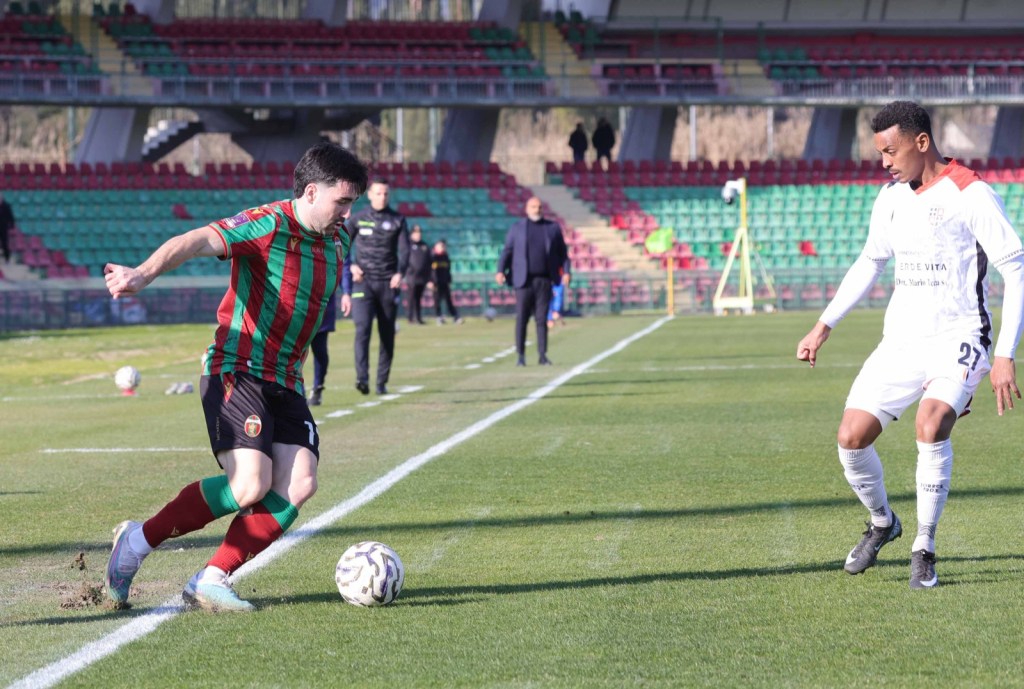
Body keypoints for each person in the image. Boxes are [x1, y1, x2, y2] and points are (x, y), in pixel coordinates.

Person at [102, 142, 368, 612]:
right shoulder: (268, 223)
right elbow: (198, 239)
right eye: (342, 201)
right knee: (249, 484)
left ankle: (210, 579)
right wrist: (142, 274)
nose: (347, 213)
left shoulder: (338, 239)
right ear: (311, 192)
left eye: (352, 203)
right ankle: (137, 542)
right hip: (237, 367)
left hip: (286, 379)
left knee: (299, 483)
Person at [796, 100, 1024, 590]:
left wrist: (1005, 353)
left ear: (922, 142)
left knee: (931, 422)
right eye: (880, 152)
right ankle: (883, 523)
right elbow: (870, 261)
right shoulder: (891, 198)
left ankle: (924, 546)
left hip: (960, 334)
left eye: (891, 151)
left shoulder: (971, 193)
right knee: (851, 438)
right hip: (901, 340)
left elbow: (1015, 268)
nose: (885, 162)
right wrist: (824, 325)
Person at [346, 178, 410, 395]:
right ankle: (362, 378)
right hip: (363, 283)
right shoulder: (358, 218)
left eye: (386, 193)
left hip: (388, 284)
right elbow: (341, 244)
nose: (382, 197)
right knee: (362, 329)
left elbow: (405, 251)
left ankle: (382, 382)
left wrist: (400, 273)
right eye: (378, 193)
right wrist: (351, 266)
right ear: (370, 195)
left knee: (387, 334)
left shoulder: (398, 220)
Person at [496, 196, 569, 366]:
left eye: (539, 207)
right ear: (527, 209)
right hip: (523, 281)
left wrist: (566, 272)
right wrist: (500, 270)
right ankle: (520, 356)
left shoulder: (552, 228)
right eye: (534, 207)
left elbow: (563, 254)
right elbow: (507, 251)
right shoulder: (517, 228)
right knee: (522, 318)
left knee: (542, 319)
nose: (537, 210)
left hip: (544, 280)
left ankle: (542, 355)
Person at [307, 258, 353, 407]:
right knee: (295, 353)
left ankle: (318, 386)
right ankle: (297, 392)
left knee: (320, 350)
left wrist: (346, 292)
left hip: (323, 303)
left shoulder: (335, 244)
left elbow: (344, 264)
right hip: (298, 303)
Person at [404, 224, 433, 325]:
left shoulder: (424, 246)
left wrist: (429, 278)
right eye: (416, 232)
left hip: (422, 277)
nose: (418, 234)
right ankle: (410, 317)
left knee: (419, 298)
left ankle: (418, 317)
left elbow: (429, 261)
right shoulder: (408, 245)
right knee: (411, 298)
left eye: (419, 232)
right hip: (411, 276)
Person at [431, 238, 462, 324]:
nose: (443, 247)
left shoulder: (445, 256)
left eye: (443, 246)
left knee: (449, 300)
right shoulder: (432, 257)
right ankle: (439, 317)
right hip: (436, 282)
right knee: (437, 300)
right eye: (441, 246)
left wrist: (449, 280)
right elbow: (429, 270)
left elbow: (448, 270)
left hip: (444, 282)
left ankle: (455, 316)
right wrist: (430, 281)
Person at [547, 256, 572, 329]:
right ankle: (550, 318)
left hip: (558, 277)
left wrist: (566, 273)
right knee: (548, 297)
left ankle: (555, 312)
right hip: (548, 276)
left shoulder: (559, 255)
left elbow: (565, 260)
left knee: (558, 295)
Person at [0, 192, 15, 263]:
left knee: (5, 243)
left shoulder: (6, 205)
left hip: (3, 227)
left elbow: (10, 216)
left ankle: (7, 258)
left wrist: (12, 224)